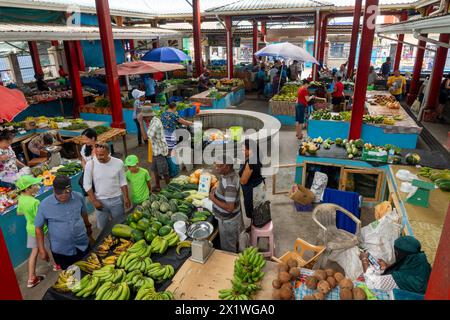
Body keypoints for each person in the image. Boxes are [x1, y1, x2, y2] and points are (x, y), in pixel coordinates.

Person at [35, 175, 92, 270]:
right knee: (72, 278)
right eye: (59, 193)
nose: (63, 195)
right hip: (62, 251)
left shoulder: (78, 197)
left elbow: (84, 214)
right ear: (54, 190)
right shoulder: (44, 205)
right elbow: (38, 228)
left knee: (90, 269)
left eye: (67, 192)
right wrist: (41, 249)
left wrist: (88, 227)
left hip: (82, 244)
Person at [16, 175, 59, 287]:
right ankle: (56, 265)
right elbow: (42, 217)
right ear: (28, 188)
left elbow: (19, 212)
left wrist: (28, 213)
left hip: (30, 229)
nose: (37, 186)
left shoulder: (21, 199)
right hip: (41, 230)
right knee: (50, 247)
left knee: (34, 252)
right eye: (34, 185)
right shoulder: (35, 202)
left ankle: (31, 278)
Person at [360, 236, 431, 294]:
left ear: (398, 253)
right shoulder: (420, 261)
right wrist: (388, 267)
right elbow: (404, 269)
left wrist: (364, 260)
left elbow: (371, 283)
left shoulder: (401, 278)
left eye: (396, 252)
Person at [83, 143, 130, 231]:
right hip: (100, 201)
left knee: (120, 225)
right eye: (97, 155)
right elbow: (87, 185)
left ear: (109, 152)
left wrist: (126, 197)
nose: (99, 157)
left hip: (117, 199)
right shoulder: (90, 164)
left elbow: (123, 181)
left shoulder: (118, 163)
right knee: (103, 228)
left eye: (102, 155)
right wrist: (94, 201)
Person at [209, 154, 242, 253]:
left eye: (219, 166)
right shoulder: (228, 174)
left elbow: (229, 208)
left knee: (228, 249)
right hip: (230, 220)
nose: (216, 168)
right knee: (232, 241)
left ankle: (230, 264)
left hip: (228, 222)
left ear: (227, 167)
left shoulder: (230, 184)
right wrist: (218, 190)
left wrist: (212, 198)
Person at [138, 110, 170, 192]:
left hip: (159, 151)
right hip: (154, 149)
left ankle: (170, 188)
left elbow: (145, 138)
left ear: (148, 116)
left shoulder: (155, 123)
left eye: (144, 118)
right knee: (154, 169)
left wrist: (140, 123)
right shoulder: (152, 121)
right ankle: (158, 186)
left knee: (164, 171)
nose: (144, 120)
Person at [239, 139, 264, 221]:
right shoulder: (255, 156)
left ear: (250, 150)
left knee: (254, 210)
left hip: (253, 190)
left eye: (243, 150)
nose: (242, 151)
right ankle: (254, 225)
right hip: (257, 186)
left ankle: (256, 227)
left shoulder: (251, 162)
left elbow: (243, 181)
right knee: (256, 209)